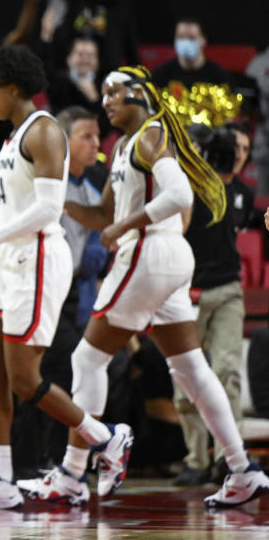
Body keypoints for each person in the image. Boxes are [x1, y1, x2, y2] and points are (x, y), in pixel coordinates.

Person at [21, 65, 269, 508]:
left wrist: (127, 226)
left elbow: (179, 196)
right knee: (191, 368)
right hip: (167, 257)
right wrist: (57, 203)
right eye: (103, 94)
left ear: (138, 93)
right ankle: (242, 469)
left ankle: (76, 472)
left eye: (113, 93)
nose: (106, 102)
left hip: (149, 252)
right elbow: (102, 217)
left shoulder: (153, 135)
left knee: (86, 358)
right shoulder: (124, 149)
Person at [0, 45, 126, 511]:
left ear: (11, 88)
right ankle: (0, 478)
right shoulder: (11, 137)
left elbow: (45, 209)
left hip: (34, 259)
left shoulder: (45, 131)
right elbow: (10, 210)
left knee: (23, 379)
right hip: (4, 258)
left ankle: (105, 438)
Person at [174, 123, 253, 485]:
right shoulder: (179, 187)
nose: (237, 154)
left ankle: (229, 459)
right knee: (184, 382)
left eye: (243, 149)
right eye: (230, 147)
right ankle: (195, 459)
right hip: (184, 294)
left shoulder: (243, 193)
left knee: (226, 372)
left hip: (227, 291)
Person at [152, 18, 233, 96]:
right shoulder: (160, 75)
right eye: (181, 37)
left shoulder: (220, 78)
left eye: (191, 38)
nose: (185, 42)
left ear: (203, 40)